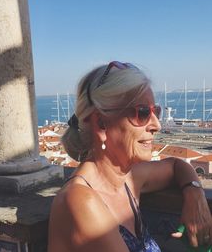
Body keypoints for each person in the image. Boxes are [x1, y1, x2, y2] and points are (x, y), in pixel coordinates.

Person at [48, 61, 212, 252]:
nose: (157, 125)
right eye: (142, 113)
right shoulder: (80, 202)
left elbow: (176, 166)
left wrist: (194, 194)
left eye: (155, 111)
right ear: (101, 123)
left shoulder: (128, 178)